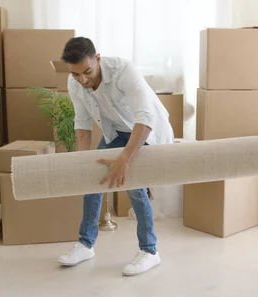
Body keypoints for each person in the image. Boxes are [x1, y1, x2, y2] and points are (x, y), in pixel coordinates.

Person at [56, 37, 174, 276]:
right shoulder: (75, 82)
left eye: (87, 71)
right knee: (94, 177)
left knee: (132, 184)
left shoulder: (123, 71)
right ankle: (86, 243)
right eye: (76, 74)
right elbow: (82, 125)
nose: (83, 79)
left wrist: (124, 160)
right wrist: (82, 163)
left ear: (97, 58)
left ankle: (150, 251)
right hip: (117, 131)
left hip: (146, 131)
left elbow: (145, 118)